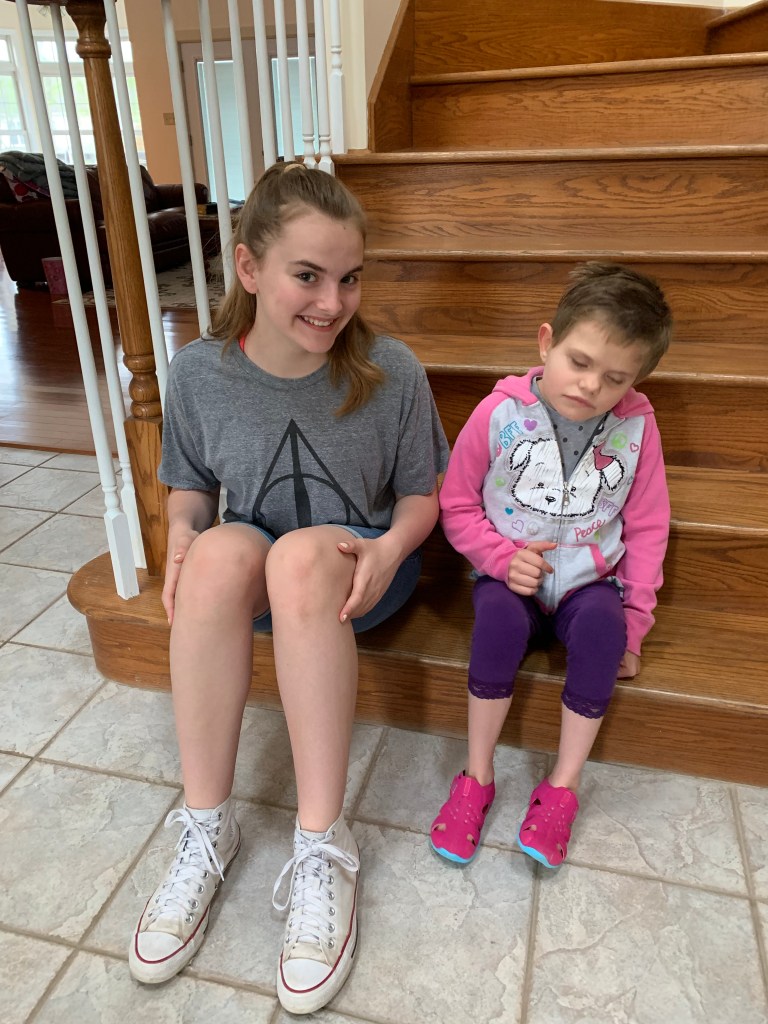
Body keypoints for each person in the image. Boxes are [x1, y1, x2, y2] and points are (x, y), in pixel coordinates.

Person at [128, 161, 449, 1014]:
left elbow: (422, 495)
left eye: (349, 278)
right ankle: (207, 827)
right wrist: (183, 534)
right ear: (249, 267)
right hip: (262, 573)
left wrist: (390, 549)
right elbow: (190, 487)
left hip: (357, 574)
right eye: (307, 275)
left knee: (302, 558)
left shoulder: (391, 370)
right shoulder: (198, 373)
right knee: (219, 556)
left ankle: (322, 840)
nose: (332, 302)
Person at [429, 262, 672, 870]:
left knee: (605, 630)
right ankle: (476, 777)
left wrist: (636, 623)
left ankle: (563, 787)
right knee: (496, 624)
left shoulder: (638, 429)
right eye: (579, 362)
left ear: (636, 379)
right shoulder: (497, 414)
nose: (590, 386)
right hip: (508, 578)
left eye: (615, 378)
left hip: (591, 584)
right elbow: (456, 504)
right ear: (546, 342)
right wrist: (500, 558)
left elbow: (647, 528)